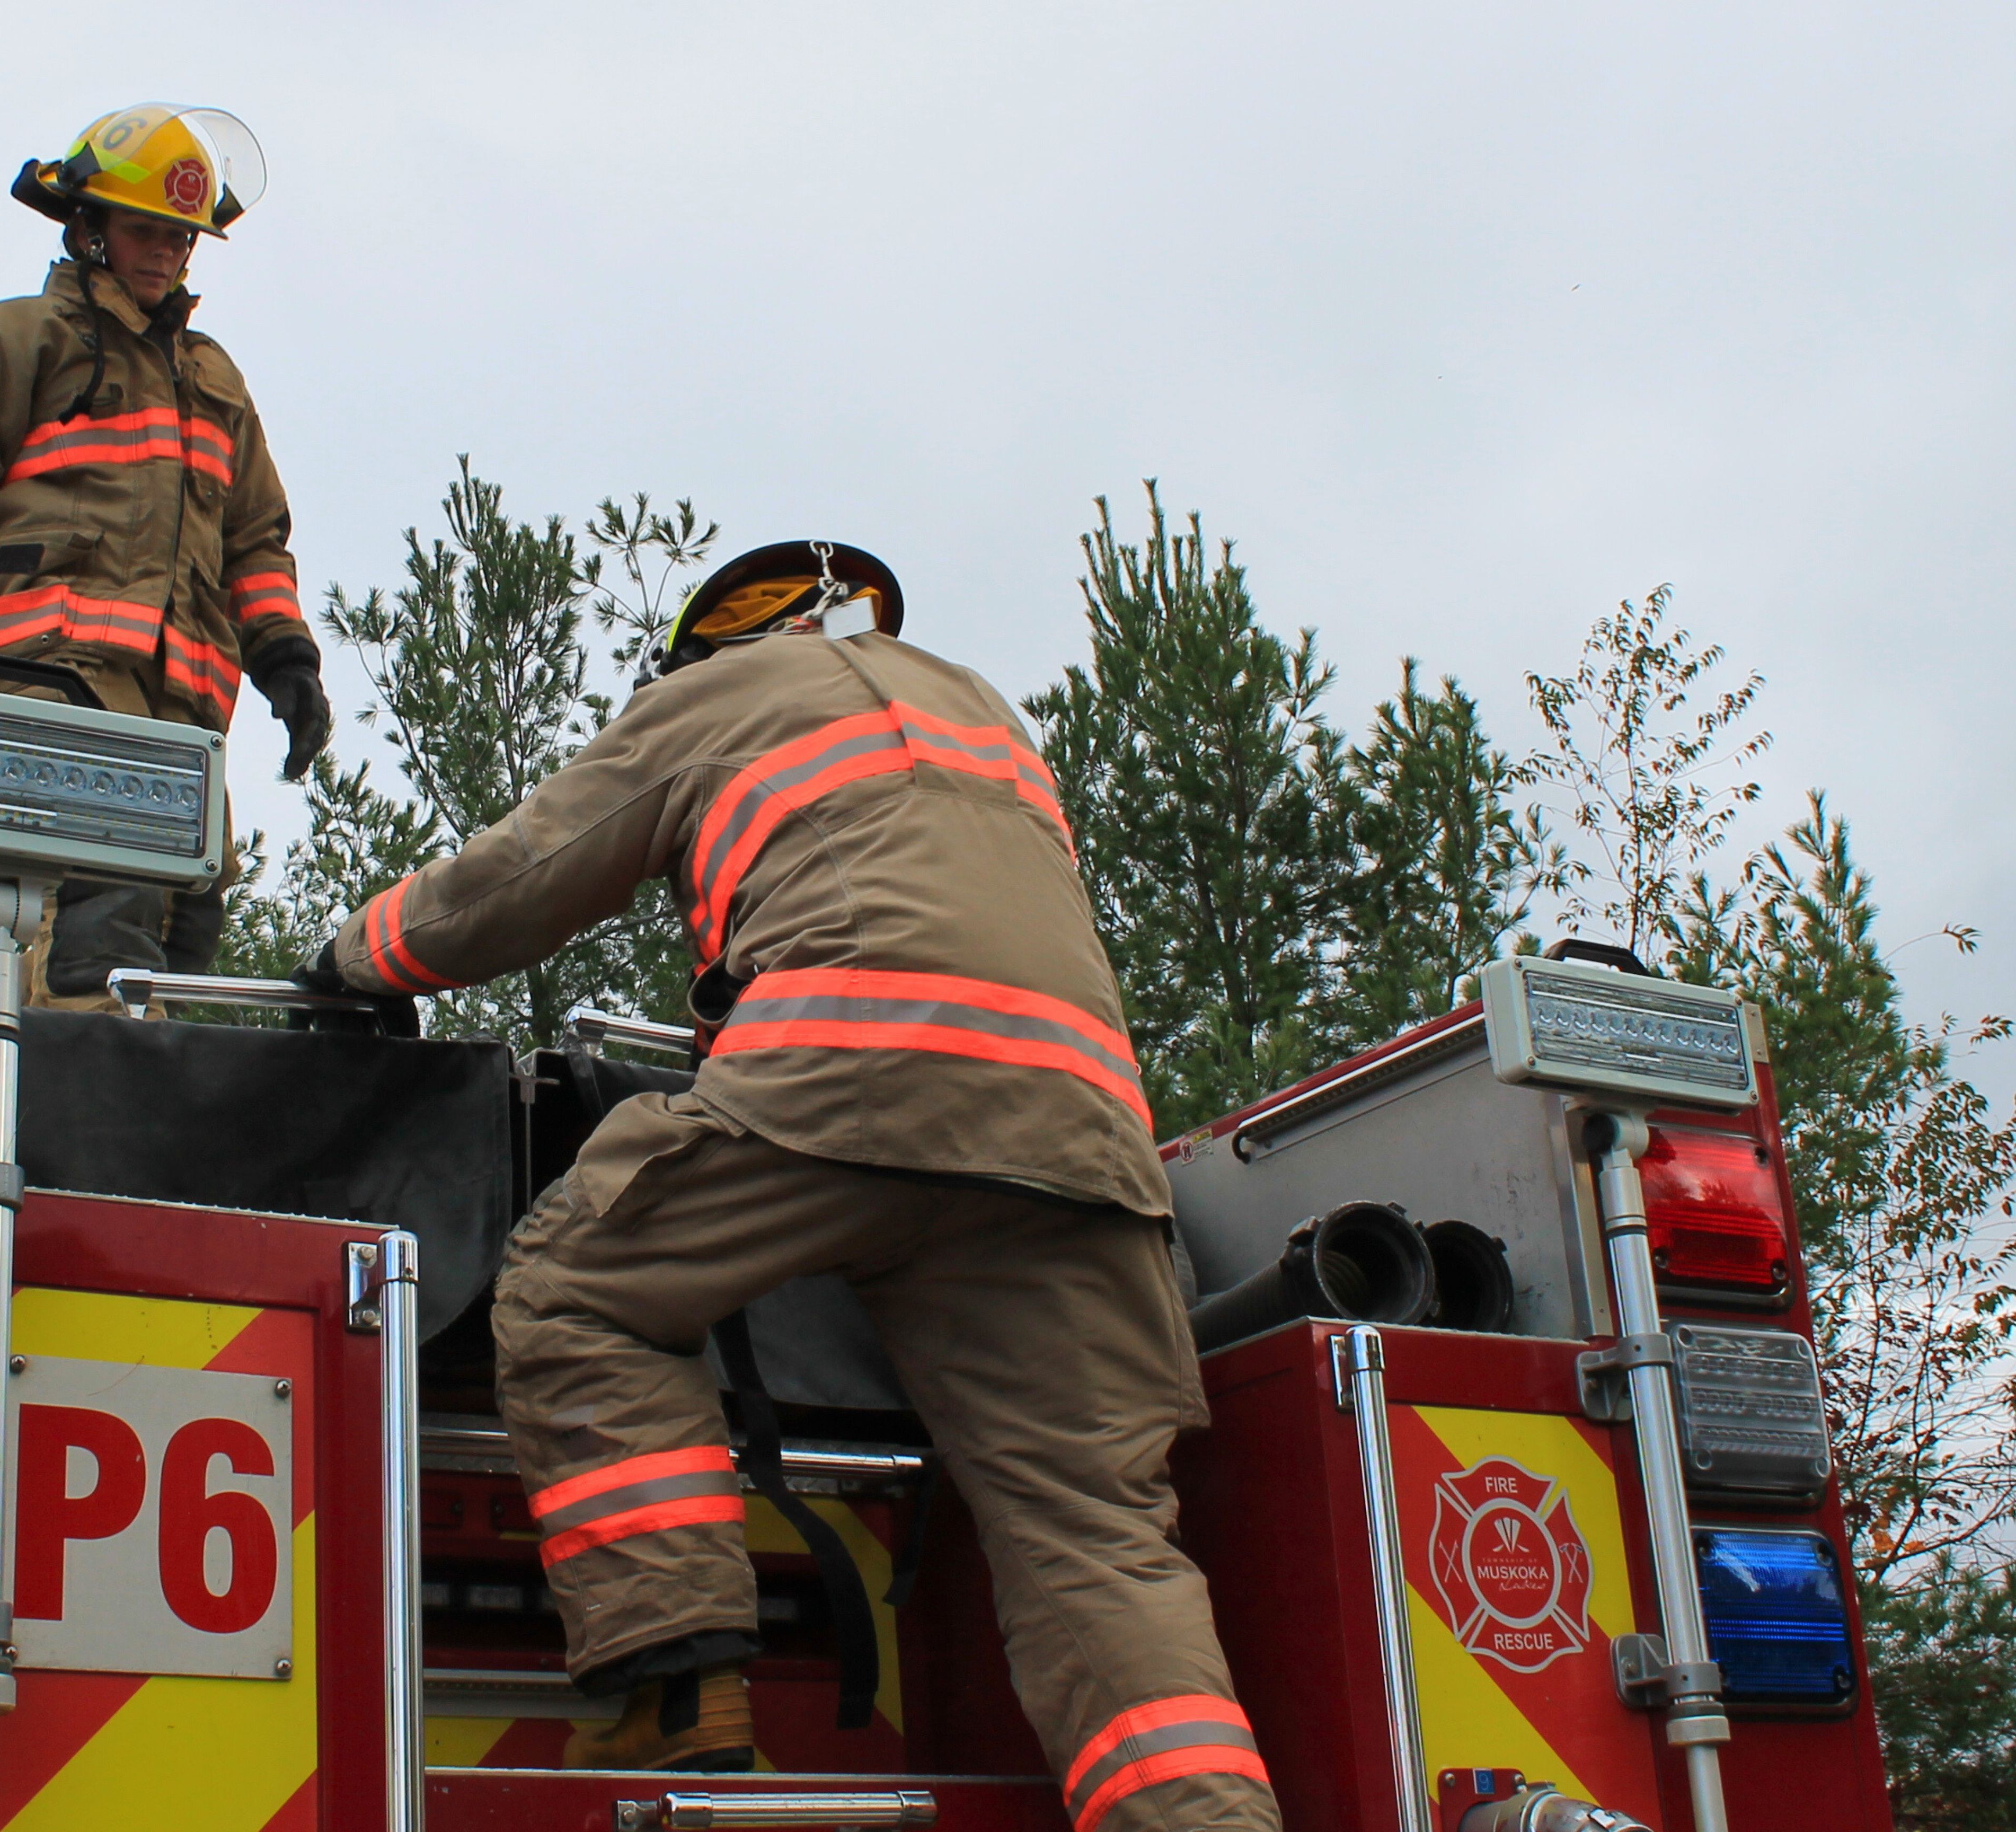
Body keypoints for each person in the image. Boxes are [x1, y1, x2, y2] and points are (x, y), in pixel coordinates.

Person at [297, 542, 1280, 1832]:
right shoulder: (981, 709)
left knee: (578, 1289)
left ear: (714, 647)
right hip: (1078, 1147)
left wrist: (352, 961)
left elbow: (520, 880)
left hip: (853, 1081)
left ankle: (681, 1695)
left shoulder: (715, 698)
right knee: (1095, 1536)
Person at [0, 103, 330, 1007]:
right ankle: (40, 1133)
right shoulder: (16, 340)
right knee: (82, 966)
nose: (166, 253)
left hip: (186, 728)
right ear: (88, 227)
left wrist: (286, 660)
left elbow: (254, 543)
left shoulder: (215, 380)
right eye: (145, 231)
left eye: (182, 237)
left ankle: (126, 1132)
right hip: (54, 692)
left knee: (176, 964)